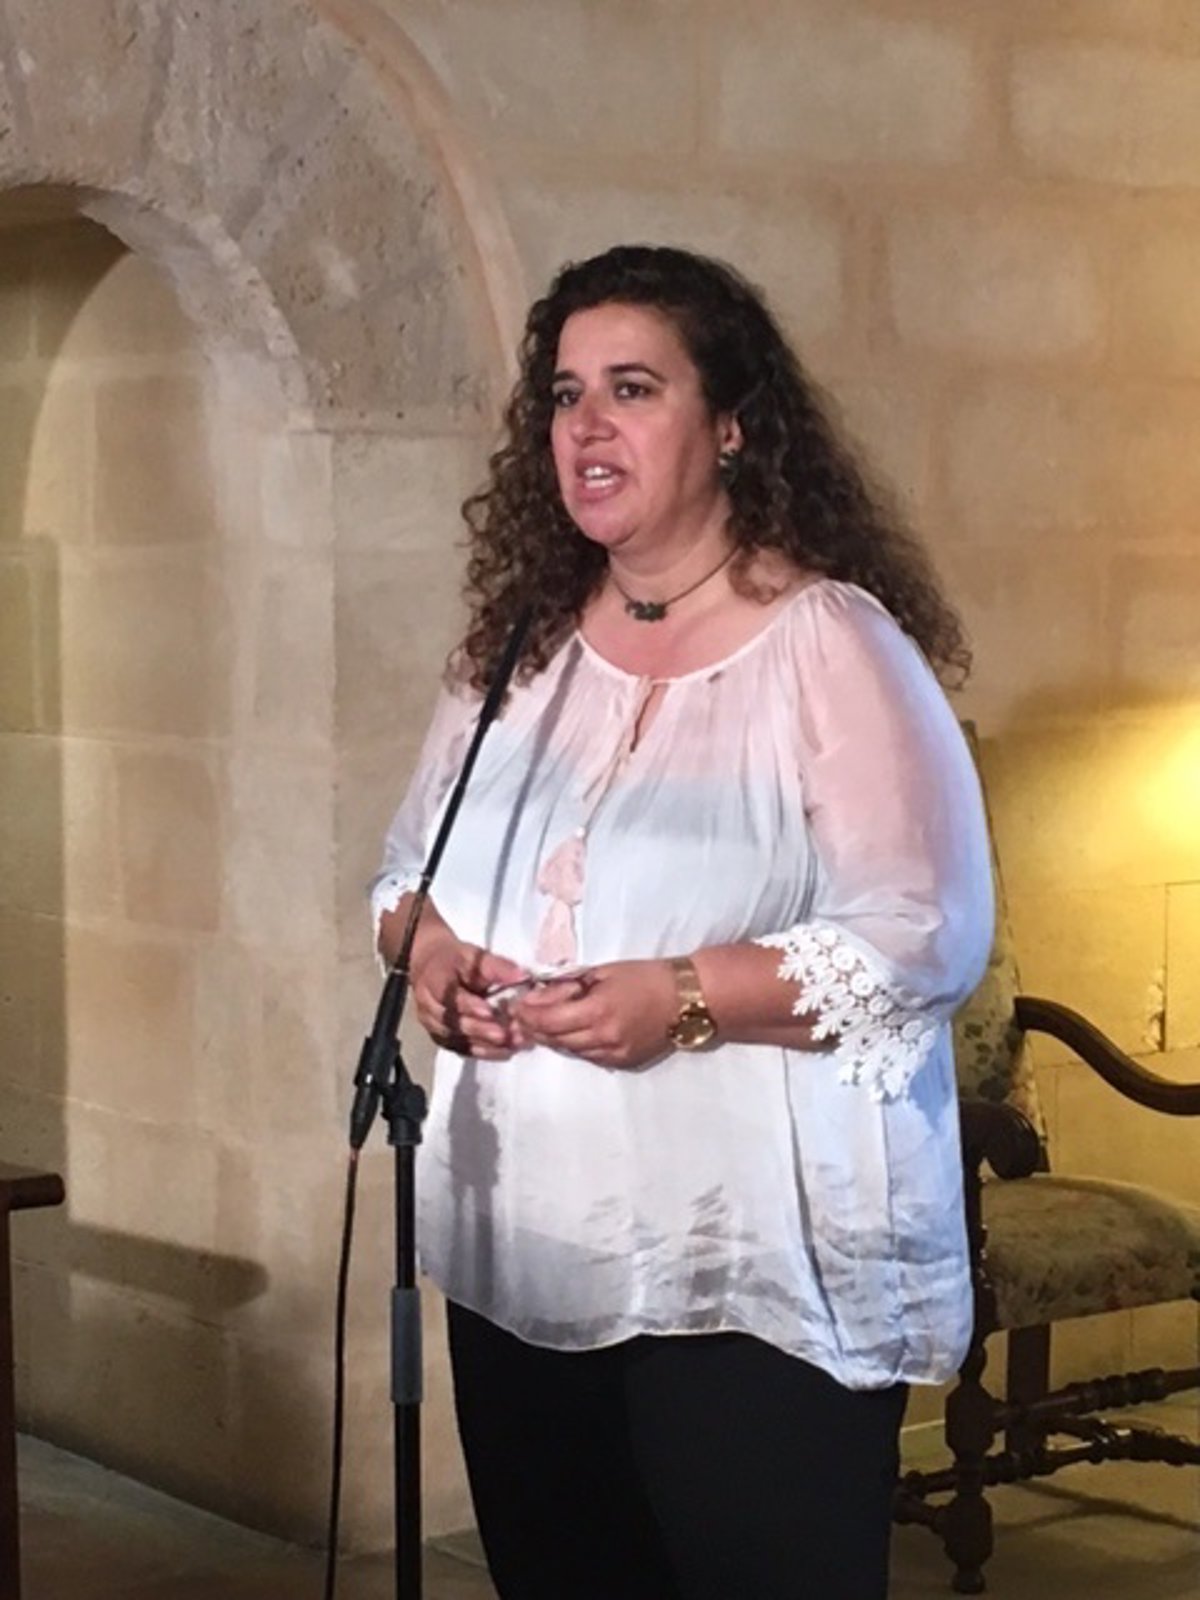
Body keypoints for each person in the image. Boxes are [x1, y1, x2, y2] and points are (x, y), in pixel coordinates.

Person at [371, 244, 994, 1600]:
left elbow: (926, 932)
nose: (586, 426)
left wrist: (685, 996)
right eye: (565, 394)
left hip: (741, 1265)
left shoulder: (829, 642)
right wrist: (433, 957)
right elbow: (407, 871)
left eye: (632, 389)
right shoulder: (516, 646)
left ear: (730, 427)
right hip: (529, 1242)